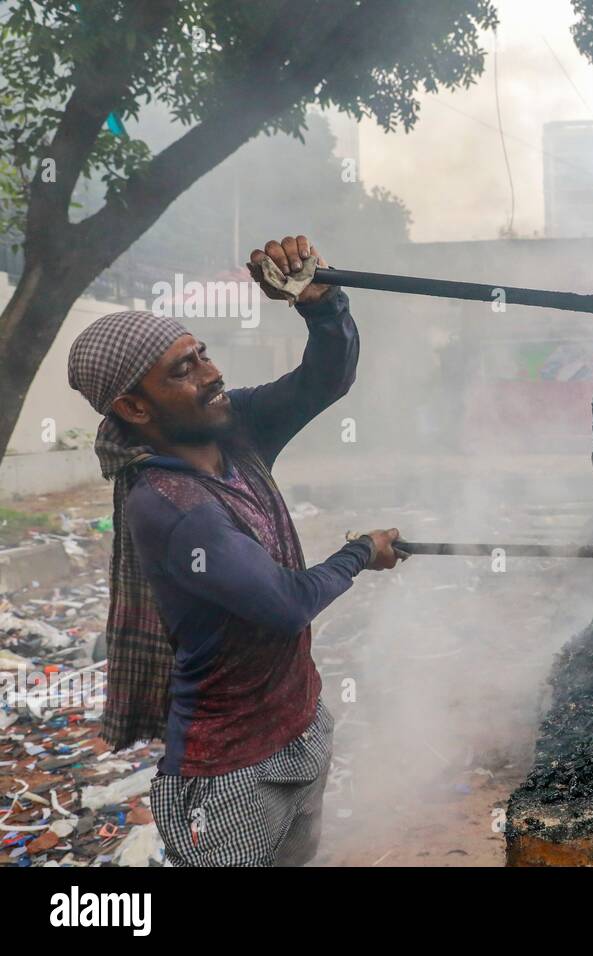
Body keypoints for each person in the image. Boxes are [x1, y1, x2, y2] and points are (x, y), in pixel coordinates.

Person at [66, 235, 406, 866]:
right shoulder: (172, 506)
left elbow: (323, 380)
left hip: (300, 723)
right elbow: (284, 605)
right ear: (134, 406)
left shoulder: (232, 427)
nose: (212, 373)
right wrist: (360, 551)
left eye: (202, 355)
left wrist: (318, 301)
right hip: (227, 777)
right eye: (183, 370)